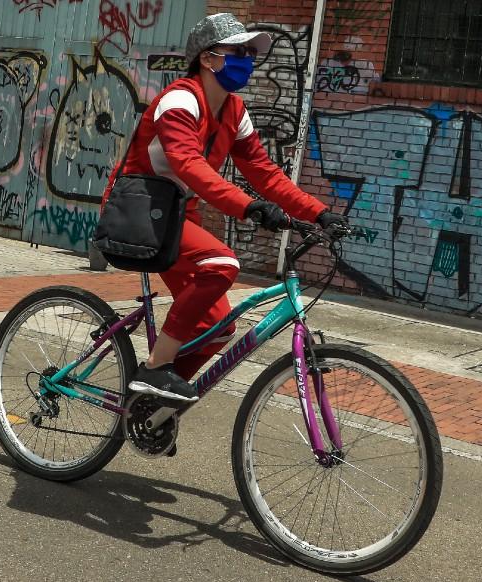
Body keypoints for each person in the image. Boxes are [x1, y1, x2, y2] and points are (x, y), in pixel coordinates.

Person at [103, 13, 348, 403]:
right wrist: (249, 207)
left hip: (179, 214)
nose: (248, 60)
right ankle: (153, 370)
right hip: (141, 211)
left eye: (251, 53)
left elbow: (266, 173)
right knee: (222, 264)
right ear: (207, 58)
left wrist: (317, 212)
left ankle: (151, 405)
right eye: (239, 51)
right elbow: (190, 166)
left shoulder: (234, 112)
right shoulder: (180, 100)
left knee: (217, 327)